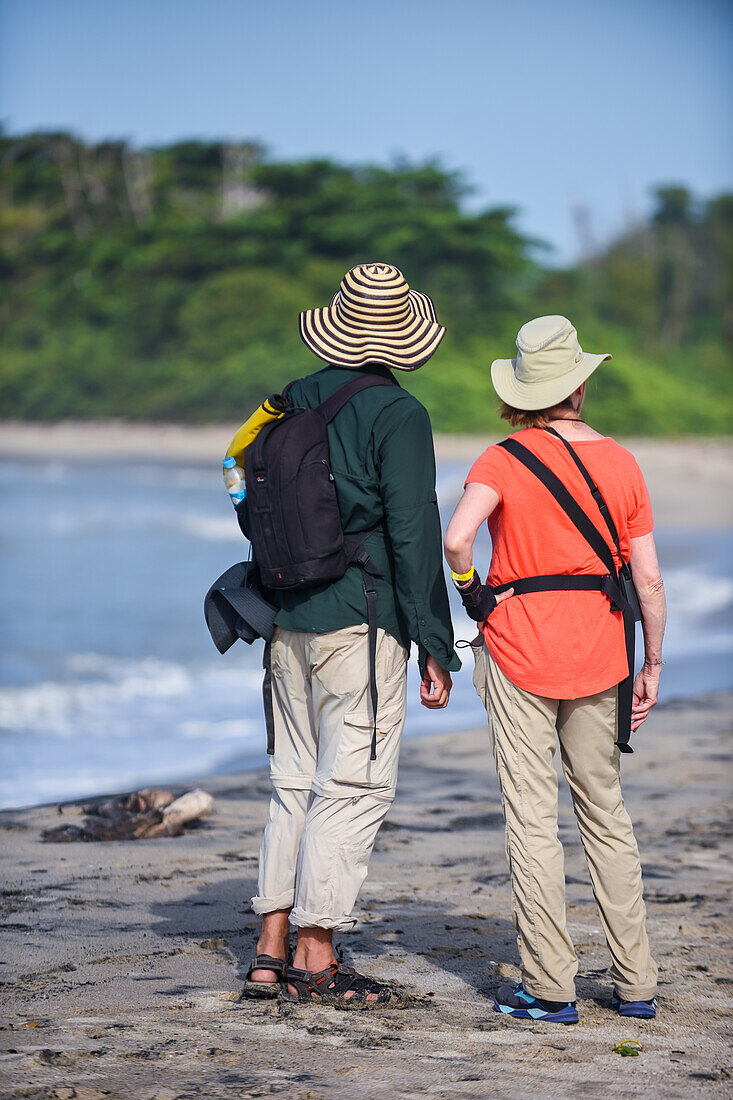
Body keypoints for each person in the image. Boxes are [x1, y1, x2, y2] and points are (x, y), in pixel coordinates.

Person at [245, 262, 460, 1005]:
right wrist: (435, 639)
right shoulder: (399, 415)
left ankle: (269, 947)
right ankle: (315, 952)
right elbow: (412, 530)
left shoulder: (293, 397)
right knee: (355, 785)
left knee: (291, 784)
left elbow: (248, 499)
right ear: (401, 339)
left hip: (287, 619)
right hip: (360, 624)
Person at [444, 315, 665, 1024]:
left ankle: (549, 987)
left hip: (518, 647)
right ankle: (636, 984)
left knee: (533, 819)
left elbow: (456, 538)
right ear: (579, 384)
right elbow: (650, 582)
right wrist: (652, 661)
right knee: (606, 813)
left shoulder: (503, 457)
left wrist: (475, 592)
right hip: (602, 649)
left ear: (523, 391)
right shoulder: (623, 461)